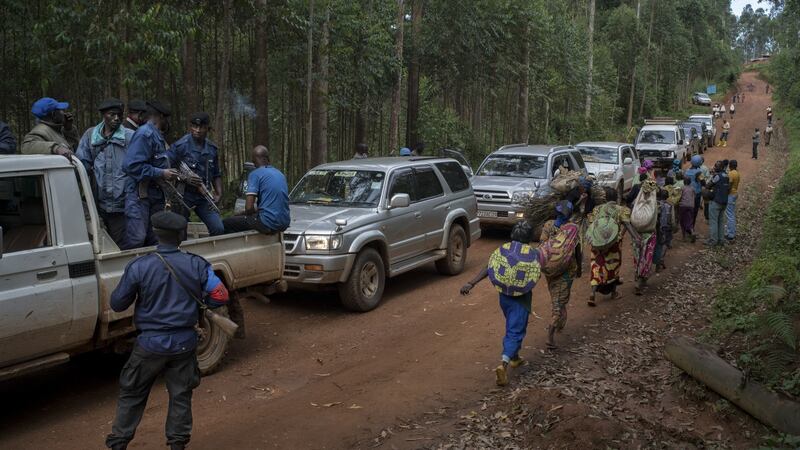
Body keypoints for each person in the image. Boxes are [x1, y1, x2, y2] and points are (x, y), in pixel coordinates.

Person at [105, 211, 230, 450]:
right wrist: (203, 305)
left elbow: (117, 303)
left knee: (132, 394)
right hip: (184, 343)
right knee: (180, 394)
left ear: (155, 234)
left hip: (149, 344)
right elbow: (220, 295)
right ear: (181, 236)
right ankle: (177, 445)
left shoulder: (139, 266)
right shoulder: (197, 264)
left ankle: (118, 444)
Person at [460, 221, 542, 386]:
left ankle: (515, 357)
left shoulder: (503, 250)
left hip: (504, 298)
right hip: (521, 299)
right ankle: (503, 364)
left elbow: (489, 267)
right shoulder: (534, 254)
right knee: (515, 330)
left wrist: (471, 283)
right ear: (529, 238)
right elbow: (536, 274)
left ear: (512, 235)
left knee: (513, 326)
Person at [76, 99, 133, 246]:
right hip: (97, 202)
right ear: (103, 115)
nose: (116, 118)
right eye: (112, 114)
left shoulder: (130, 136)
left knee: (120, 243)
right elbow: (82, 164)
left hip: (122, 203)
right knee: (101, 243)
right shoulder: (90, 135)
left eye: (119, 115)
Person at [122, 101, 178, 249]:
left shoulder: (157, 136)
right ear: (160, 117)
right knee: (137, 239)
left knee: (154, 239)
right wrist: (162, 173)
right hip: (139, 197)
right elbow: (131, 166)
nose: (169, 123)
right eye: (167, 118)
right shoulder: (145, 134)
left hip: (154, 197)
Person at [169, 112, 224, 236]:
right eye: (194, 126)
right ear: (190, 126)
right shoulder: (180, 146)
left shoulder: (212, 149)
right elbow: (165, 169)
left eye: (201, 127)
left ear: (207, 128)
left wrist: (219, 193)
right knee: (179, 233)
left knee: (218, 229)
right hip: (183, 195)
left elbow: (216, 173)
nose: (197, 130)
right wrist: (184, 178)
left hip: (204, 195)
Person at [539, 201, 580, 350]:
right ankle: (551, 332)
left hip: (550, 269)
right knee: (561, 298)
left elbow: (542, 245)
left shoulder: (548, 225)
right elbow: (577, 250)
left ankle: (560, 320)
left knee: (555, 295)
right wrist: (580, 267)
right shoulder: (573, 228)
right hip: (567, 270)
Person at [223, 145, 290, 234]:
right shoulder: (280, 174)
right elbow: (269, 205)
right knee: (247, 219)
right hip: (284, 223)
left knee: (226, 223)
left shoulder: (255, 174)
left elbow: (249, 207)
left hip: (267, 223)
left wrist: (243, 213)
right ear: (268, 158)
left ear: (254, 160)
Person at [587, 188, 632, 306]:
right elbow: (627, 224)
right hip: (613, 244)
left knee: (596, 267)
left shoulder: (597, 209)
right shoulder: (621, 210)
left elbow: (591, 225)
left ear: (605, 197)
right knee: (613, 267)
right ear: (617, 197)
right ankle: (613, 293)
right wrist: (635, 237)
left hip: (597, 243)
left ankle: (592, 294)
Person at [630, 179, 658, 295]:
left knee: (637, 255)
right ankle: (641, 280)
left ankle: (638, 277)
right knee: (646, 257)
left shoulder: (637, 202)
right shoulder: (654, 203)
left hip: (636, 234)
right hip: (649, 234)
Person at [705, 161, 730, 247]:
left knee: (713, 221)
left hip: (716, 201)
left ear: (718, 168)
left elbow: (708, 185)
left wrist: (712, 175)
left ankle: (713, 240)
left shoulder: (717, 176)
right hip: (725, 201)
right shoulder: (727, 176)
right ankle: (721, 239)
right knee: (721, 221)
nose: (714, 168)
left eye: (715, 166)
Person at [654, 189, 673, 271]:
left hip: (656, 227)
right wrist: (671, 225)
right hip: (665, 227)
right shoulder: (669, 205)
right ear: (667, 196)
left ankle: (657, 261)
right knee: (664, 244)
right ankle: (660, 260)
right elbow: (669, 218)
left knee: (657, 244)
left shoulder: (656, 204)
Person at [678, 175, 696, 242]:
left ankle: (684, 237)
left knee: (682, 221)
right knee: (690, 220)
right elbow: (694, 195)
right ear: (690, 182)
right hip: (691, 206)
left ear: (684, 182)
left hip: (683, 206)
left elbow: (679, 196)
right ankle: (692, 231)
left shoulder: (682, 188)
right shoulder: (692, 188)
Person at [725, 160, 740, 241]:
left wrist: (724, 194)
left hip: (730, 195)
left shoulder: (731, 173)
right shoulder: (737, 173)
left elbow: (729, 186)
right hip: (735, 193)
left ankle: (730, 234)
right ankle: (731, 231)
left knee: (729, 215)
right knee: (731, 214)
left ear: (730, 165)